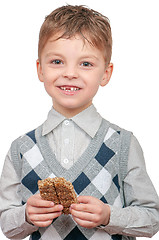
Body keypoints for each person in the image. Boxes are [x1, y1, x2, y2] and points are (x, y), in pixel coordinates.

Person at [0, 4, 159, 240]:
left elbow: (152, 219)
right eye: (57, 61)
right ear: (40, 69)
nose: (70, 73)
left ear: (105, 73)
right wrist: (25, 215)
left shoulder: (122, 144)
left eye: (85, 64)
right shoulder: (21, 148)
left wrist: (109, 216)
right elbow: (6, 224)